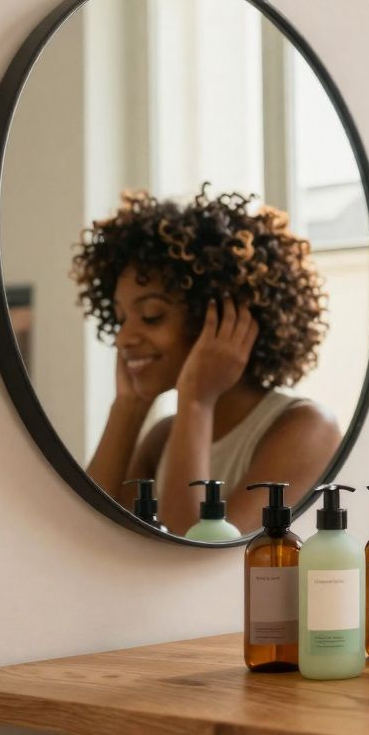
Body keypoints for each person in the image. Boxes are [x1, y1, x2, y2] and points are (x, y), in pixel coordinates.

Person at [75, 187, 341, 534]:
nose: (123, 338)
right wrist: (128, 407)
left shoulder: (306, 429)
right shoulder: (161, 438)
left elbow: (194, 554)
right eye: (122, 317)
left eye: (151, 315)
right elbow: (83, 534)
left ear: (221, 318)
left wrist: (197, 401)